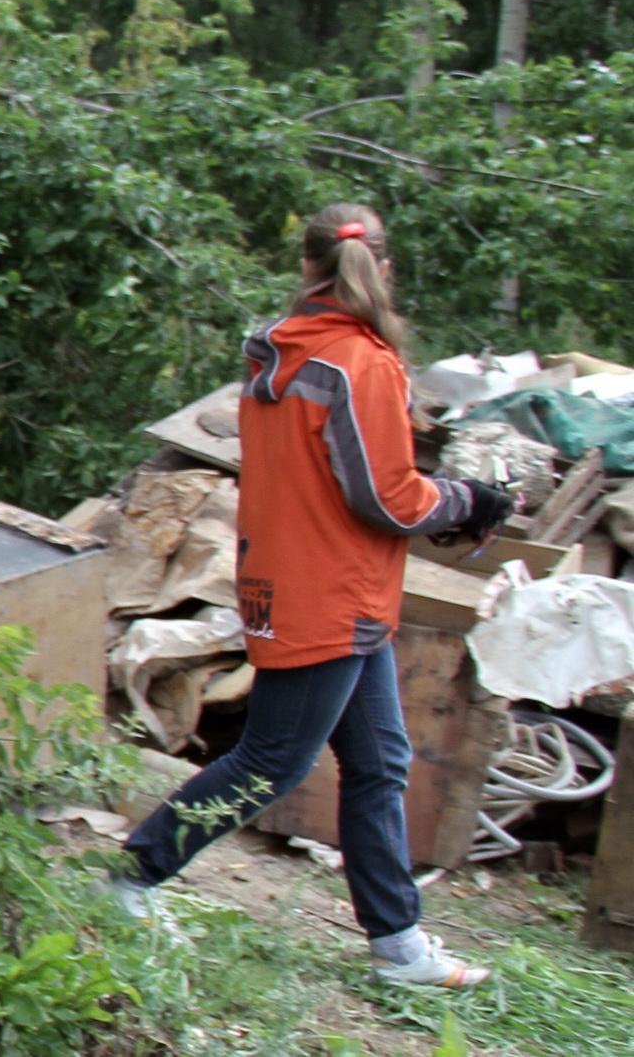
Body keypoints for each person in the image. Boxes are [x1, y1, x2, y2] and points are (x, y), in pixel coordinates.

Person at [108, 203, 511, 989]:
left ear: (306, 266)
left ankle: (398, 946)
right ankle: (134, 877)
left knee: (379, 759)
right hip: (331, 589)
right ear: (383, 271)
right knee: (272, 761)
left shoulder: (283, 355)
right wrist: (467, 502)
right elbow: (387, 499)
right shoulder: (357, 363)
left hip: (303, 579)